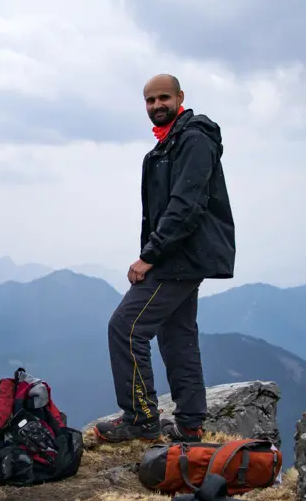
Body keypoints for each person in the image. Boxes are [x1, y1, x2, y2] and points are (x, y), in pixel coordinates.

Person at [93, 74, 235, 443]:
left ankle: (140, 418)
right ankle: (189, 424)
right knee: (177, 337)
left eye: (163, 98)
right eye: (150, 100)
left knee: (125, 328)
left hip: (179, 258)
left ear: (180, 97)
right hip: (182, 256)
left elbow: (184, 206)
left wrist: (149, 256)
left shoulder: (193, 141)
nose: (156, 105)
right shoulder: (165, 148)